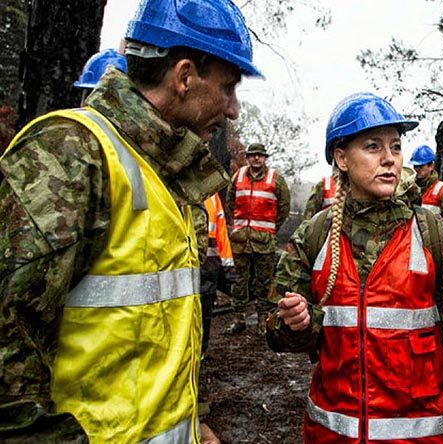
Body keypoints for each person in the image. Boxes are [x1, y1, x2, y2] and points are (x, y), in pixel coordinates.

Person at [0, 0, 260, 441]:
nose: (233, 109)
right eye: (228, 87)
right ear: (183, 77)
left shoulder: (165, 170)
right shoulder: (70, 153)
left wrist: (190, 422)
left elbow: (142, 342)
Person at [264, 92, 443, 443]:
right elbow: (275, 325)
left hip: (420, 433)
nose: (390, 159)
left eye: (395, 147)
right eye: (374, 147)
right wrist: (293, 323)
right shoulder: (316, 234)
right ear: (341, 158)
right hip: (335, 432)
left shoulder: (428, 231)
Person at [225, 142, 290, 334]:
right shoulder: (237, 177)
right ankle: (239, 318)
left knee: (263, 282)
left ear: (265, 158)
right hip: (240, 241)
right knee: (239, 281)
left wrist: (271, 229)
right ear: (247, 157)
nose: (256, 158)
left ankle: (263, 320)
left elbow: (284, 208)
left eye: (260, 155)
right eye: (252, 155)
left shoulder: (275, 179)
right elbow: (230, 202)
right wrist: (236, 225)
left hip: (264, 241)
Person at [200, 192, 234, 352]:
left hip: (208, 266)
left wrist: (227, 266)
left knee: (205, 311)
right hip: (187, 264)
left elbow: (221, 232)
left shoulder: (212, 195)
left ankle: (200, 350)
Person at [409, 144, 443, 224]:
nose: (417, 169)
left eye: (420, 166)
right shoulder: (410, 189)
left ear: (431, 166)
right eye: (415, 166)